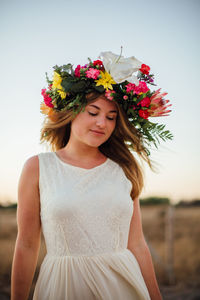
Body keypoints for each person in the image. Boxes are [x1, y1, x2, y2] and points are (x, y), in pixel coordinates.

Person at [11, 51, 172, 300]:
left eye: (111, 117)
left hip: (123, 286)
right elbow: (27, 244)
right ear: (72, 112)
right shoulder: (38, 167)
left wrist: (156, 296)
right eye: (93, 112)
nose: (102, 124)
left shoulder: (125, 168)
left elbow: (137, 244)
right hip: (64, 285)